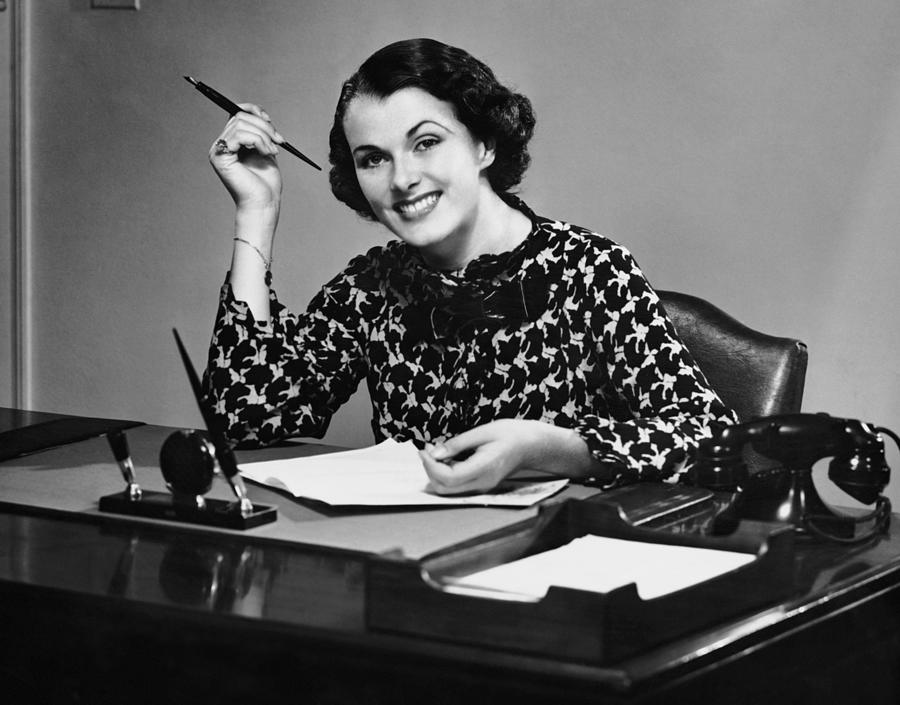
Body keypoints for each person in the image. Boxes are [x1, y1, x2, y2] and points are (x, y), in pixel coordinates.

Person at [203, 37, 737, 495]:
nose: (402, 178)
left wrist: (549, 448)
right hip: (408, 562)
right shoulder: (372, 285)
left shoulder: (590, 270)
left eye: (426, 142)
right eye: (373, 158)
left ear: (483, 143)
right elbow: (244, 419)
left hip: (554, 572)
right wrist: (257, 209)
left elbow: (713, 439)